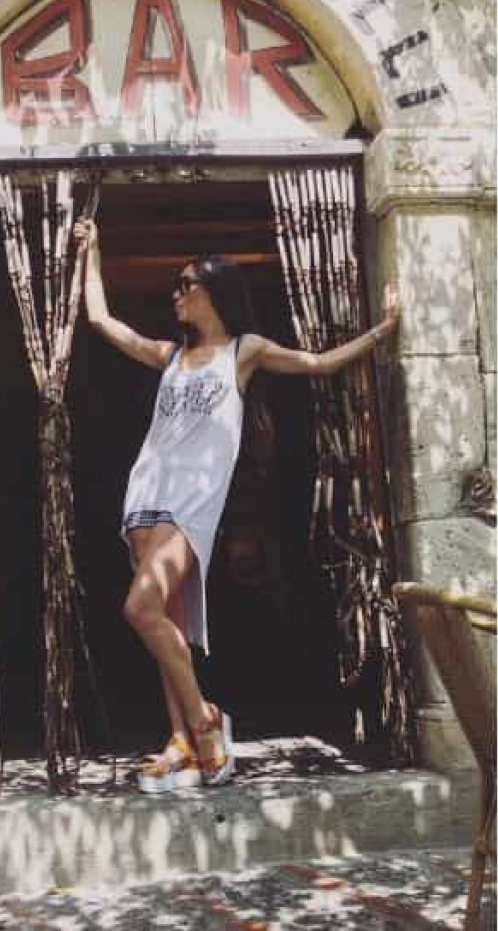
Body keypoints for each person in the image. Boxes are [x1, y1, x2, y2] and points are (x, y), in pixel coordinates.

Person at [73, 218, 400, 793]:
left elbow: (319, 363)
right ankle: (179, 741)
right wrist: (91, 251)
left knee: (140, 609)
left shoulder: (244, 352)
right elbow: (101, 320)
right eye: (176, 285)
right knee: (165, 622)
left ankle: (204, 722)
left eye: (186, 284)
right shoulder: (171, 355)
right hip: (146, 492)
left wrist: (384, 329)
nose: (176, 294)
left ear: (215, 291)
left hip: (191, 500)